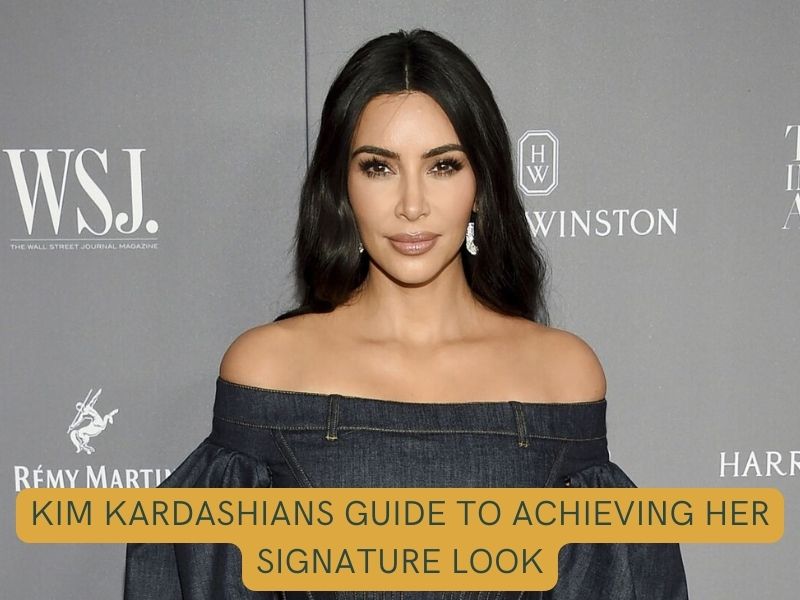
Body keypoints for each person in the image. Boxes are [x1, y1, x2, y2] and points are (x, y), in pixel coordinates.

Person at [124, 28, 688, 599]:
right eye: (379, 167)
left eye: (443, 166)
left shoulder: (563, 373)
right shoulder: (267, 369)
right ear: (341, 186)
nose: (412, 205)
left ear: (481, 183)